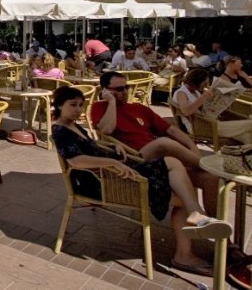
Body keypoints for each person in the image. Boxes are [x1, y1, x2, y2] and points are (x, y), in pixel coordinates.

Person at [53, 86, 231, 275]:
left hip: (113, 173)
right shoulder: (60, 131)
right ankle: (193, 226)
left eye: (81, 105)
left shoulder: (73, 125)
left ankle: (192, 226)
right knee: (179, 182)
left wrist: (113, 148)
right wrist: (112, 161)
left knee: (180, 182)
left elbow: (91, 146)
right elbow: (76, 160)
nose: (79, 109)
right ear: (58, 105)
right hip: (105, 183)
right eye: (73, 105)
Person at [91, 71, 222, 222]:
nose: (125, 92)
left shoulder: (139, 108)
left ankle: (213, 227)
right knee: (163, 143)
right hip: (135, 159)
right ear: (106, 90)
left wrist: (193, 147)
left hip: (161, 162)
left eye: (127, 87)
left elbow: (171, 130)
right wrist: (111, 102)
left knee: (211, 179)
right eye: (119, 89)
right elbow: (106, 130)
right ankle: (208, 165)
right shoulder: (99, 108)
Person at [173, 67, 252, 144]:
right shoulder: (181, 93)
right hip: (201, 127)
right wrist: (204, 97)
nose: (206, 85)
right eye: (204, 83)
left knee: (247, 137)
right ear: (196, 81)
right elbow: (186, 111)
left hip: (209, 123)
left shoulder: (195, 92)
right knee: (250, 124)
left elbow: (202, 107)